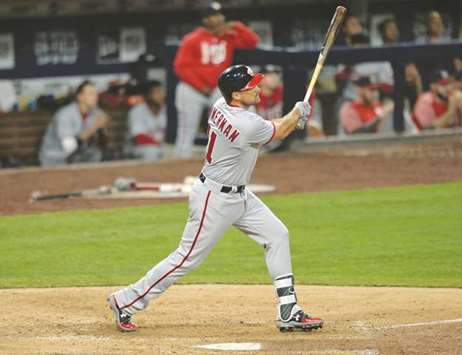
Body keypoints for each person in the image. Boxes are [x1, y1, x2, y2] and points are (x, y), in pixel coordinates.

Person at [107, 65, 323, 333]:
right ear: (236, 94)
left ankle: (288, 309)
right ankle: (126, 301)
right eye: (251, 86)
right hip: (215, 199)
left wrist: (291, 120)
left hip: (239, 194)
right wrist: (296, 114)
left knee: (277, 234)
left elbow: (274, 127)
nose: (257, 88)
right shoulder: (243, 122)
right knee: (186, 258)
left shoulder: (222, 105)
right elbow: (277, 132)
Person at [172, 1, 259, 158]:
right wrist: (200, 86)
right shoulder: (192, 39)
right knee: (186, 132)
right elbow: (180, 67)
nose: (218, 19)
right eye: (213, 16)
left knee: (242, 109)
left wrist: (237, 26)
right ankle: (180, 163)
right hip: (191, 89)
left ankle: (240, 154)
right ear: (205, 20)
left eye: (219, 15)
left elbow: (253, 42)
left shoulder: (229, 37)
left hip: (217, 89)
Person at [39, 81, 109, 166]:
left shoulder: (96, 112)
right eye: (91, 94)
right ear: (79, 97)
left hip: (79, 158)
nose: (95, 97)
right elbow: (70, 147)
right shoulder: (64, 115)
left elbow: (102, 144)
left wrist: (102, 129)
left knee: (98, 155)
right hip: (55, 158)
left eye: (96, 94)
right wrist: (94, 127)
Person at [127, 80, 167, 161]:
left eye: (162, 92)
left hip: (163, 145)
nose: (161, 96)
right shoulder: (137, 111)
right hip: (141, 148)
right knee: (152, 151)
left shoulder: (167, 110)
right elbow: (139, 138)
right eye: (157, 93)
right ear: (148, 96)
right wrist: (159, 143)